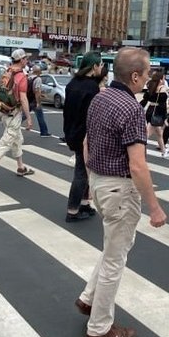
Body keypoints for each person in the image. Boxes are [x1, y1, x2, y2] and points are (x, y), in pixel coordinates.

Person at [75, 48, 166, 337]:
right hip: (119, 189)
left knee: (111, 248)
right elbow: (138, 166)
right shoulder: (131, 109)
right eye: (148, 72)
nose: (149, 77)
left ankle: (89, 299)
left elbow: (88, 141)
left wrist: (91, 178)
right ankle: (100, 327)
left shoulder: (100, 98)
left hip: (100, 183)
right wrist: (154, 208)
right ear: (136, 75)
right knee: (116, 259)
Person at [0, 49, 35, 183]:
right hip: (14, 114)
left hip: (3, 113)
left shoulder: (6, 72)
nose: (27, 60)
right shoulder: (21, 76)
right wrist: (29, 118)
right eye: (26, 58)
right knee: (6, 142)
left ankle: (21, 167)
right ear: (21, 60)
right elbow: (23, 99)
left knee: (17, 140)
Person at [62, 52, 104, 222]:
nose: (101, 68)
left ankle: (84, 203)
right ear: (94, 66)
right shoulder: (92, 87)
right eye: (100, 65)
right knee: (82, 173)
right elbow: (92, 115)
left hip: (71, 130)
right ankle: (72, 211)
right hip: (85, 134)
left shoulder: (73, 83)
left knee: (85, 171)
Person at [140, 69, 169, 153]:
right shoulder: (162, 90)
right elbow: (163, 106)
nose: (164, 80)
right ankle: (137, 150)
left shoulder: (151, 88)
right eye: (163, 78)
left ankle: (164, 151)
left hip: (150, 111)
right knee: (147, 134)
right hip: (156, 113)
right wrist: (165, 118)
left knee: (159, 133)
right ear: (160, 80)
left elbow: (144, 100)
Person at [29, 65, 52, 138]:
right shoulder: (38, 79)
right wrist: (38, 102)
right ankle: (44, 132)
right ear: (38, 71)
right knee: (40, 116)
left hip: (28, 99)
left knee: (23, 115)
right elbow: (37, 91)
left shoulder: (29, 77)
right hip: (34, 100)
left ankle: (13, 127)